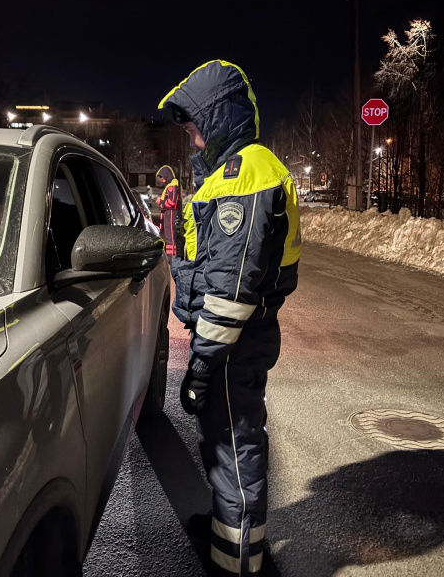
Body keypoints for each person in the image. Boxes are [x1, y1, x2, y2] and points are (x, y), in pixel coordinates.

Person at [158, 60, 302, 577]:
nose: (194, 141)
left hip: (232, 343)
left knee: (237, 454)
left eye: (196, 129)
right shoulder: (231, 173)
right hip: (233, 341)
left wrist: (201, 365)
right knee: (225, 447)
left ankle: (237, 564)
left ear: (218, 119)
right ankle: (227, 535)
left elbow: (229, 291)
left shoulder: (246, 173)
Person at [156, 165, 182, 258]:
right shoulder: (171, 185)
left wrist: (161, 203)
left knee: (170, 236)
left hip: (171, 213)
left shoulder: (173, 185)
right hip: (169, 213)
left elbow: (172, 202)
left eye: (163, 177)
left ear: (167, 175)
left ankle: (172, 258)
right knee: (169, 236)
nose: (162, 180)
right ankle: (171, 257)